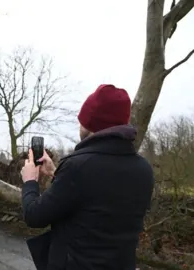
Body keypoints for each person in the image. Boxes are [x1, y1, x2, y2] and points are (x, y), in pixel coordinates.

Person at [21, 84, 155, 270]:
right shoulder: (143, 168)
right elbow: (96, 200)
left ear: (91, 123)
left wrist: (29, 182)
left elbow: (34, 216)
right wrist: (55, 173)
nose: (79, 125)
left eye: (82, 120)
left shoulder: (78, 167)